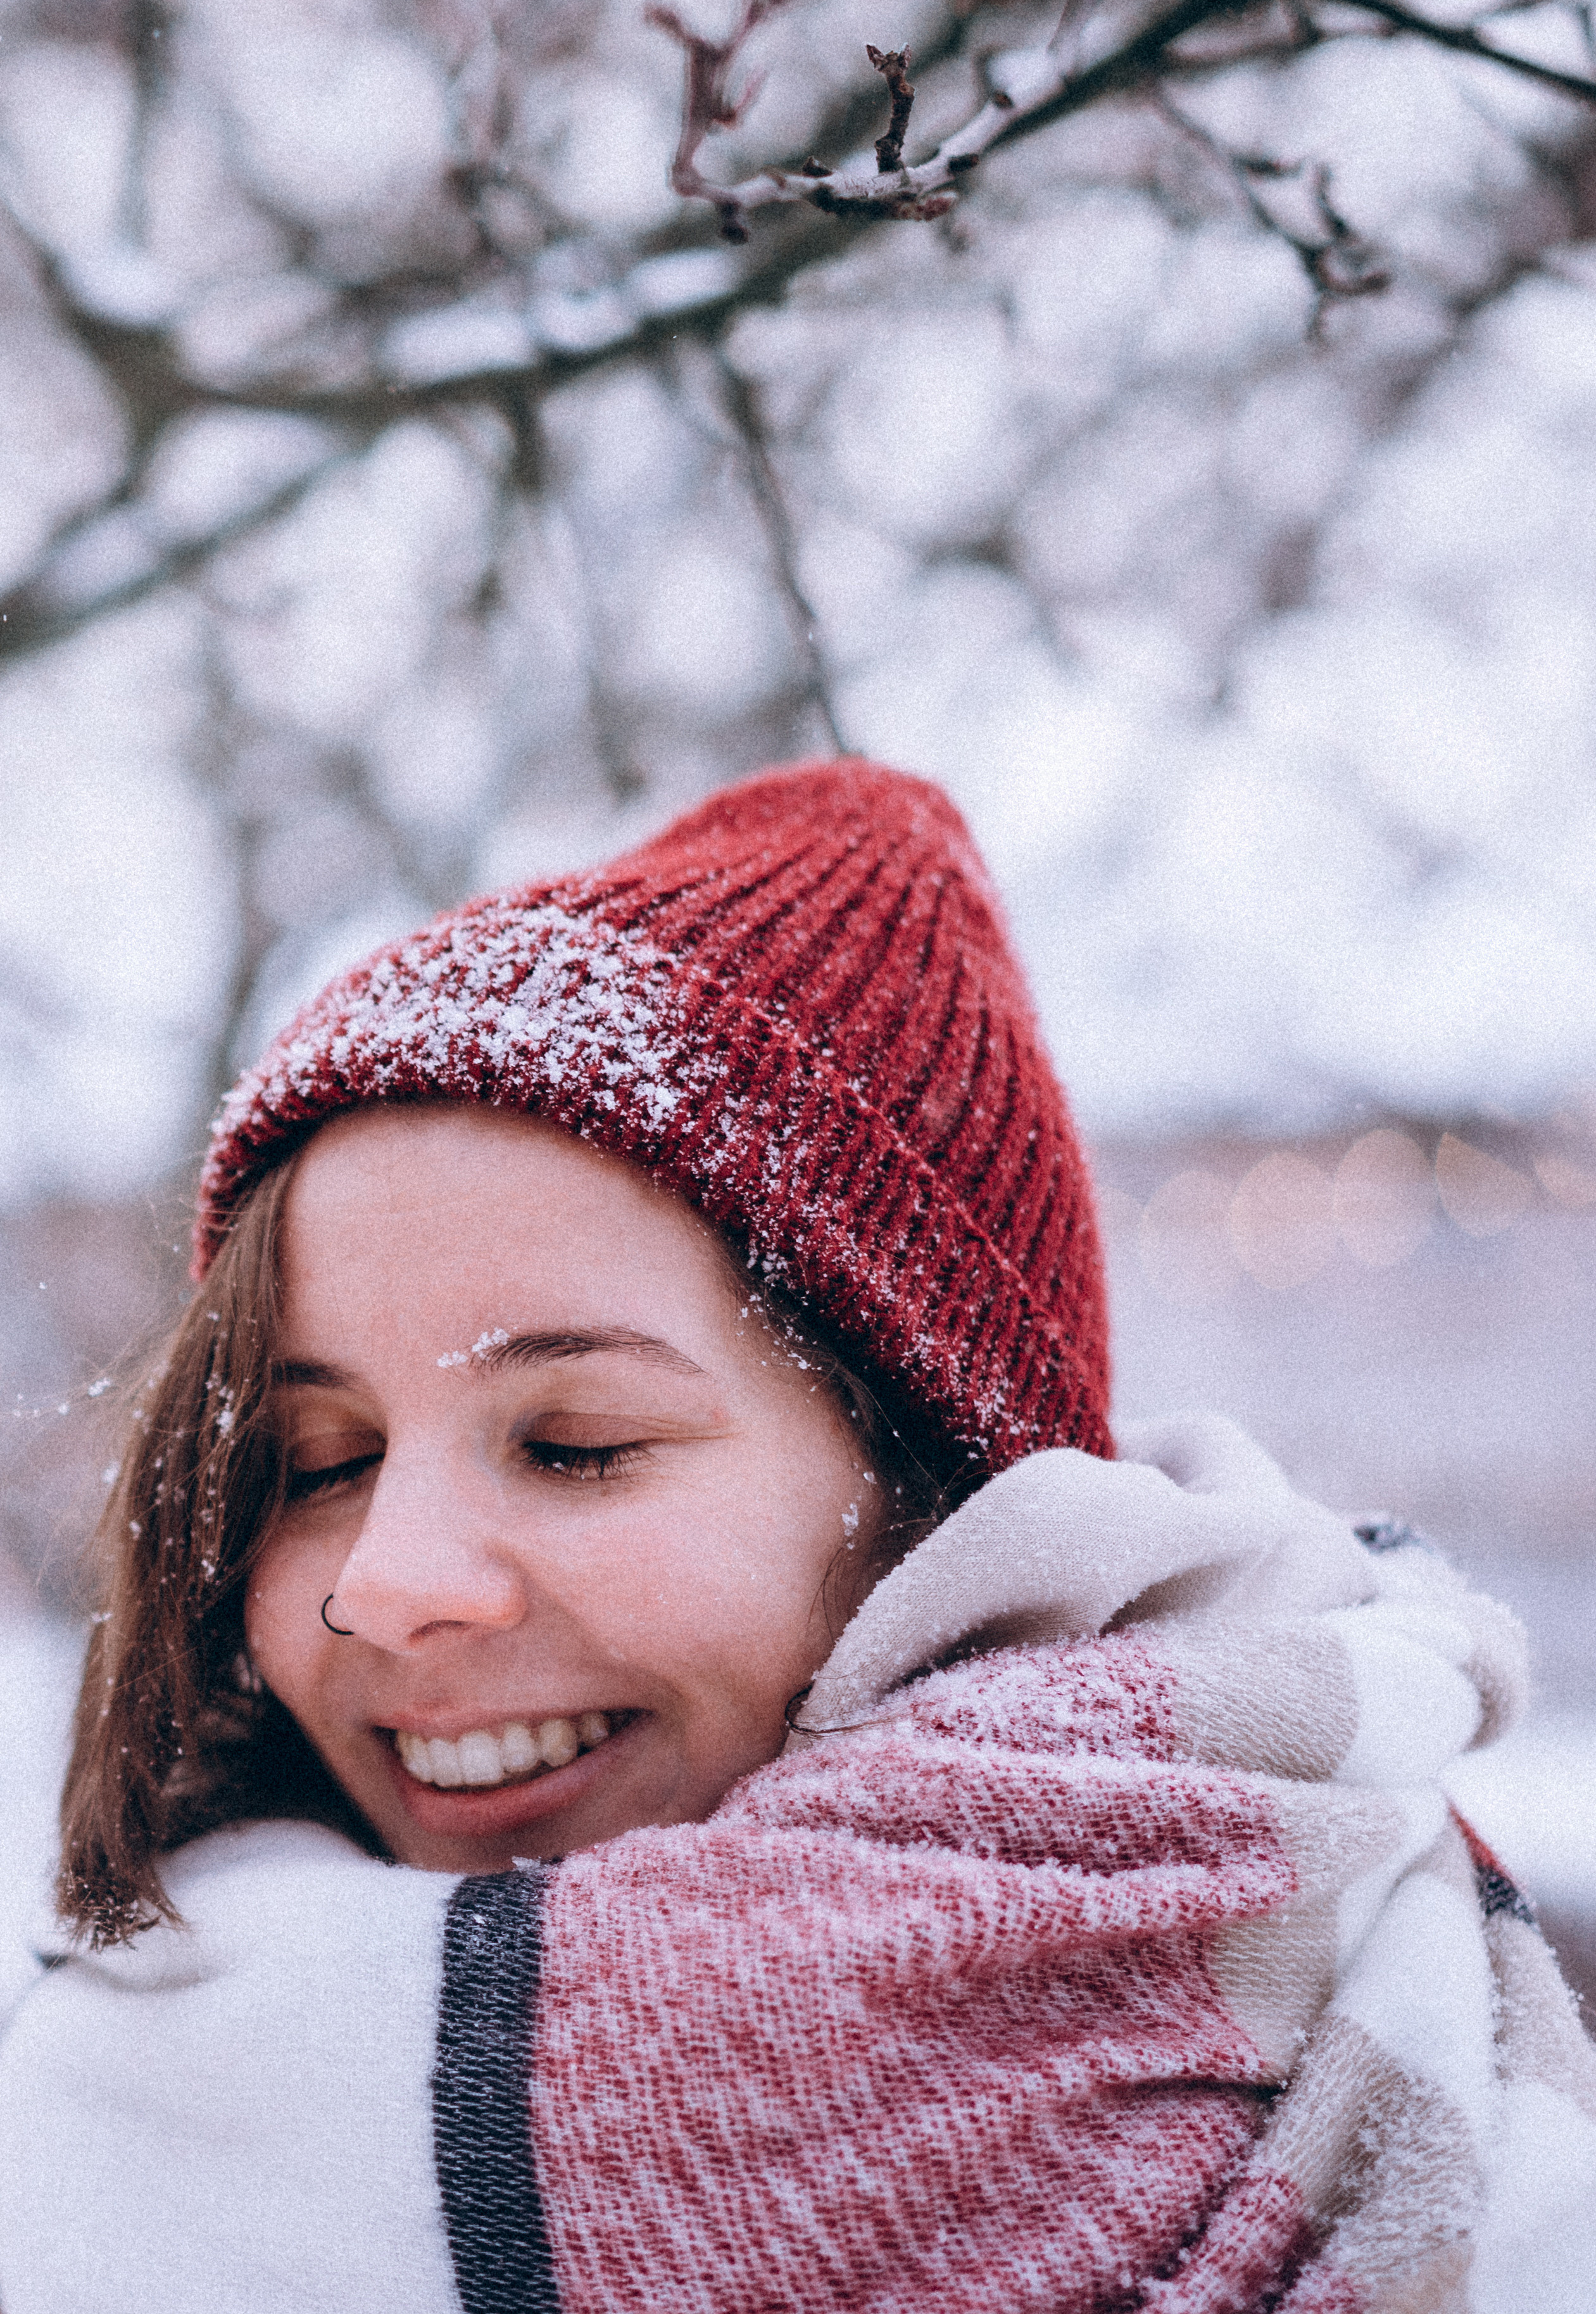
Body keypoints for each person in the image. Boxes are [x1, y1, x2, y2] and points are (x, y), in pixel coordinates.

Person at [0, 760, 1590, 2313]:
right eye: (319, 1463)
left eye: (575, 1444)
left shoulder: (1407, 2072)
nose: (390, 1583)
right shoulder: (132, 2109)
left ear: (940, 1497)